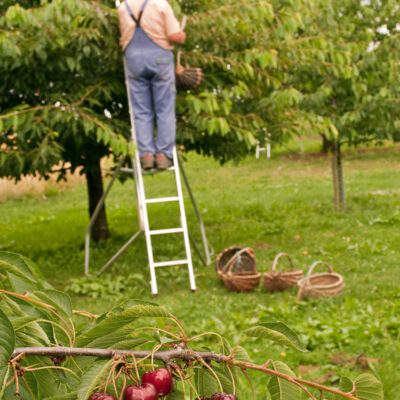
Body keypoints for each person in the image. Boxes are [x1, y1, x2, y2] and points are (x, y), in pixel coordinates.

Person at [118, 0, 186, 170]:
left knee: (141, 110)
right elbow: (174, 35)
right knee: (164, 108)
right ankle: (163, 155)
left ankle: (146, 155)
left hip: (134, 61)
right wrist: (182, 36)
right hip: (160, 58)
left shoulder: (122, 7)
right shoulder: (160, 4)